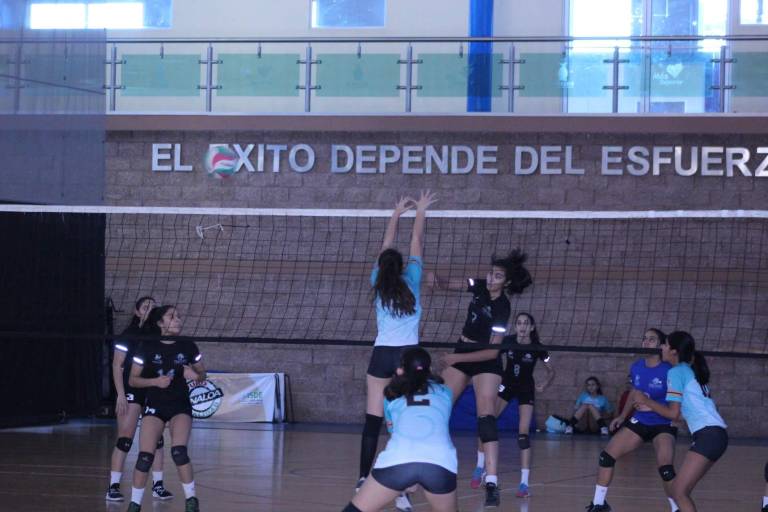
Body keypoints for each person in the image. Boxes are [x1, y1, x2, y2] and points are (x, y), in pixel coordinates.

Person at [430, 250, 532, 507]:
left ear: (506, 282)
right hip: (464, 348)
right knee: (437, 407)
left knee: (486, 416)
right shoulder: (479, 286)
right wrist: (436, 281)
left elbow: (493, 350)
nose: (491, 278)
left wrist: (456, 360)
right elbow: (450, 284)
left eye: (497, 276)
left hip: (486, 358)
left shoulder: (503, 307)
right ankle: (422, 468)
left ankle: (492, 483)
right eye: (491, 273)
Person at [358, 191, 436, 512]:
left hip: (381, 356)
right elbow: (417, 241)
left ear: (382, 267)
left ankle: (363, 479)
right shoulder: (413, 278)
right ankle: (401, 489)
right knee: (406, 423)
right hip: (407, 356)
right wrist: (419, 211)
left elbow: (386, 249)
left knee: (372, 421)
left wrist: (394, 215)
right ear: (403, 267)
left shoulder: (378, 280)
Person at [343, 347, 457, 512]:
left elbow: (395, 431)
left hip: (400, 460)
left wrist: (408, 479)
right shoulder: (445, 392)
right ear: (430, 369)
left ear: (399, 370)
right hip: (440, 462)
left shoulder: (392, 394)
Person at [632, 331, 728, 512]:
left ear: (674, 351)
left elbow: (673, 414)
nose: (662, 347)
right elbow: (685, 414)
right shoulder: (689, 369)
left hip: (709, 436)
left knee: (678, 492)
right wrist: (652, 407)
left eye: (665, 344)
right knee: (680, 491)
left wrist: (647, 401)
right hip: (715, 435)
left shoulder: (676, 372)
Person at [585, 328, 679, 512]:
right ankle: (598, 504)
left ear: (661, 345)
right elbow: (634, 393)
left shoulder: (669, 370)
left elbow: (676, 405)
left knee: (666, 468)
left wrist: (650, 404)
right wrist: (621, 416)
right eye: (644, 339)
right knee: (606, 456)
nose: (646, 342)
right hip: (640, 421)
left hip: (663, 424)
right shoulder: (637, 366)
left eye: (651, 339)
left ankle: (677, 508)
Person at [125, 305, 206, 512]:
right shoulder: (147, 346)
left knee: (179, 452)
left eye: (179, 316)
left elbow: (201, 375)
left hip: (180, 405)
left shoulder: (188, 346)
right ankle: (134, 505)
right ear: (160, 323)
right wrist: (155, 382)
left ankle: (191, 502)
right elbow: (133, 380)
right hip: (155, 404)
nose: (178, 319)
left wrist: (196, 376)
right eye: (172, 316)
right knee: (145, 457)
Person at [106, 296, 173, 502]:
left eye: (153, 307)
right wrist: (120, 395)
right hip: (131, 389)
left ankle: (158, 486)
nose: (150, 309)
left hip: (152, 391)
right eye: (146, 306)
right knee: (125, 439)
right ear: (137, 311)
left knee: (158, 441)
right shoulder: (128, 334)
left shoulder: (158, 335)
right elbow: (117, 365)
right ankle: (113, 487)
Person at [482, 312, 555, 498]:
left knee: (523, 435)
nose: (522, 326)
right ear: (515, 327)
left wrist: (545, 383)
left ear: (531, 327)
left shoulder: (538, 348)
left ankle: (524, 484)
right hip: (506, 385)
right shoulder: (507, 341)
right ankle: (482, 467)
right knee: (487, 422)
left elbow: (551, 370)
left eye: (525, 323)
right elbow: (491, 356)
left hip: (525, 388)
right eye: (519, 323)